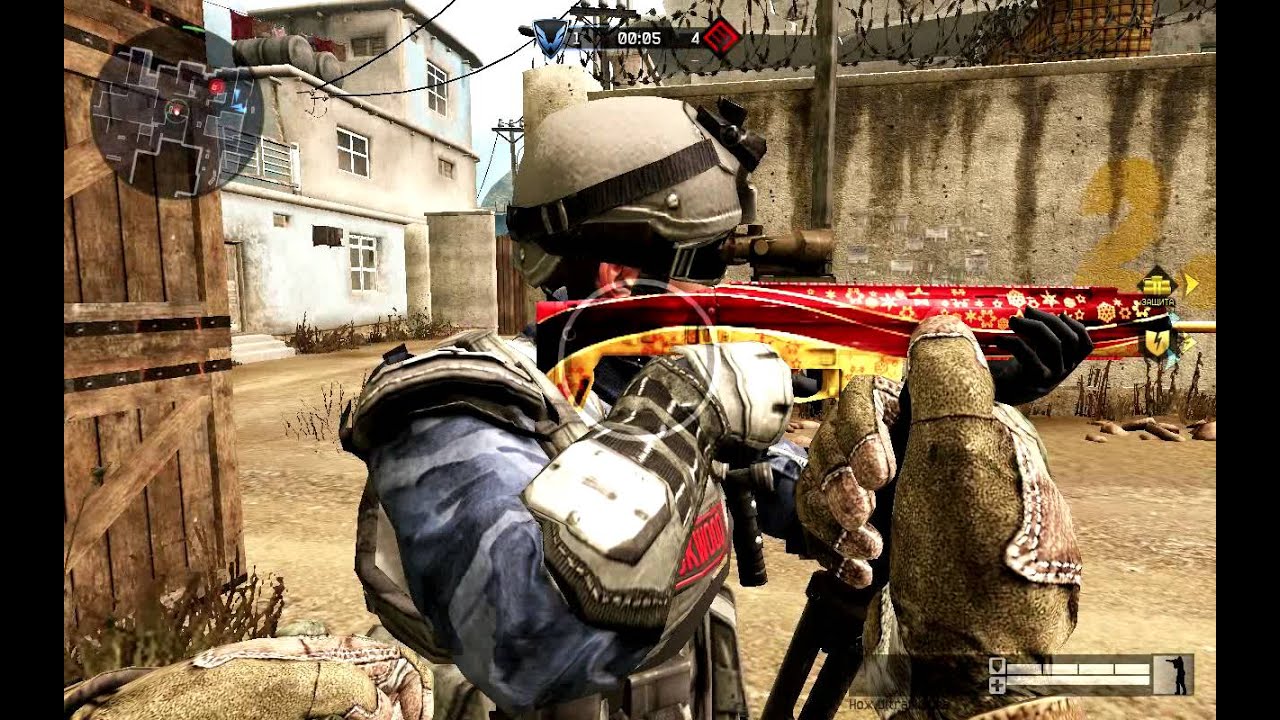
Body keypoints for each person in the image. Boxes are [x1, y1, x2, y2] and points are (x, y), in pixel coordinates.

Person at [340, 94, 1092, 720]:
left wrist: (945, 420)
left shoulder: (636, 390)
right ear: (618, 274)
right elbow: (526, 645)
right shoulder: (455, 402)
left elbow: (814, 501)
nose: (726, 305)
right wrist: (681, 408)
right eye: (706, 276)